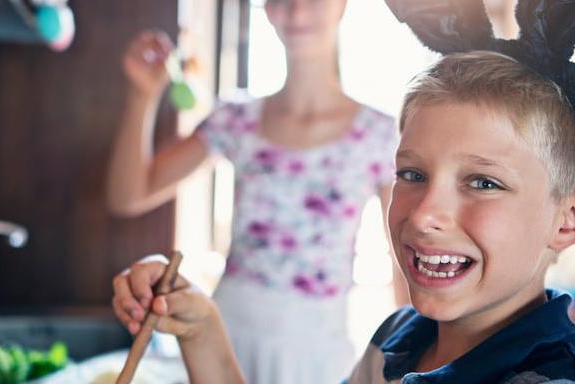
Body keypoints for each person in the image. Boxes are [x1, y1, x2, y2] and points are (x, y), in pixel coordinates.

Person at [111, 0, 575, 382]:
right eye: (412, 175)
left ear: (570, 218)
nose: (424, 216)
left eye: (483, 182)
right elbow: (130, 193)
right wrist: (202, 329)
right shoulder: (397, 340)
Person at [105, 0, 403, 382]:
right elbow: (128, 195)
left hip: (316, 350)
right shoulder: (236, 118)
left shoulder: (380, 135)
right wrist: (143, 93)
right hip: (222, 331)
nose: (295, 12)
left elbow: (404, 268)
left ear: (341, 5)